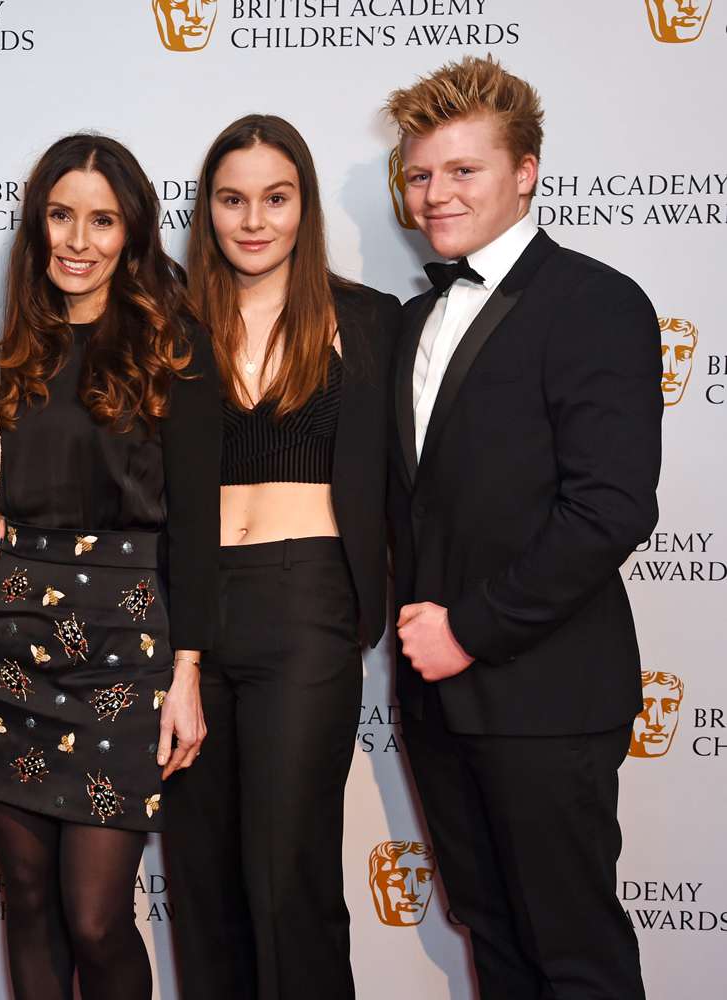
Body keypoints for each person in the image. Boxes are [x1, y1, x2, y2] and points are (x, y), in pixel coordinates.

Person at [385, 56, 658, 999]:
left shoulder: (595, 302)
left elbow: (610, 508)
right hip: (436, 704)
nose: (436, 193)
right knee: (493, 943)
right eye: (421, 174)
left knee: (574, 955)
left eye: (464, 170)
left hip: (544, 696)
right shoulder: (415, 319)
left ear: (526, 171)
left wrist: (470, 630)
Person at [0, 134, 218, 1000]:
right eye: (61, 216)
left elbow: (198, 530)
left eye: (102, 220)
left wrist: (186, 672)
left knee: (96, 917)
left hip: (124, 649)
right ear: (36, 225)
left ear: (132, 234)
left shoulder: (175, 349)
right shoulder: (13, 349)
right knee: (26, 900)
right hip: (6, 639)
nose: (78, 239)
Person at [163, 115, 402, 1000]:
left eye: (275, 197)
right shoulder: (171, 326)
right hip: (189, 614)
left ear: (303, 204)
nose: (253, 220)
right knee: (204, 878)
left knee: (286, 872)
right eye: (232, 199)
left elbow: (421, 478)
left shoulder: (370, 322)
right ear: (208, 209)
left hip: (307, 607)